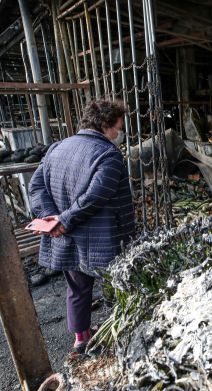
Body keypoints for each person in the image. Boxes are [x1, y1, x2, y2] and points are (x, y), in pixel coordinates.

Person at [29, 99, 135, 353]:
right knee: (115, 287)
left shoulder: (56, 148)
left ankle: (82, 338)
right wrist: (62, 220)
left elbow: (36, 187)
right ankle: (122, 335)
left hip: (67, 238)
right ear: (104, 125)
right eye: (119, 127)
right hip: (104, 240)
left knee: (77, 288)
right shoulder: (109, 154)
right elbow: (97, 195)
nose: (121, 133)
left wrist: (51, 218)